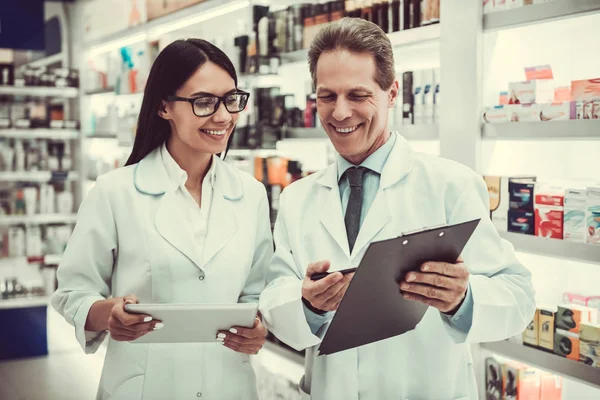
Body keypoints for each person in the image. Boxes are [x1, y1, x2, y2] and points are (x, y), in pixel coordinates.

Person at [258, 18, 536, 400]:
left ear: (391, 92)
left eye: (357, 95)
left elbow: (518, 297)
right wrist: (308, 305)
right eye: (327, 96)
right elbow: (275, 298)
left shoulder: (450, 185)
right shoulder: (298, 198)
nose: (339, 113)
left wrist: (463, 299)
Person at [51, 39, 273, 400]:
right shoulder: (115, 192)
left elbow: (257, 293)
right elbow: (71, 293)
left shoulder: (251, 194)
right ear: (164, 107)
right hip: (145, 387)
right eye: (204, 102)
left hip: (228, 385)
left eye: (231, 99)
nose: (223, 117)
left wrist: (260, 328)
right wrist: (108, 313)